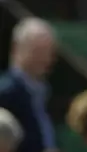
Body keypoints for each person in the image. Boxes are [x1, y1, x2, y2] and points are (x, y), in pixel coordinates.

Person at [0, 17, 58, 152]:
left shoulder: (43, 91)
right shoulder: (5, 92)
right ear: (16, 49)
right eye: (37, 52)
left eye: (48, 52)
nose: (44, 59)